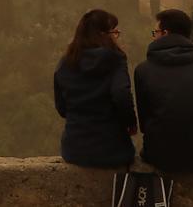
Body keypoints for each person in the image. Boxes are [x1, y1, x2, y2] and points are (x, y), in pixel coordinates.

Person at [134, 8, 193, 174]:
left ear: (165, 33)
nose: (154, 36)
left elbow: (144, 120)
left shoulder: (143, 70)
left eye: (155, 32)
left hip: (159, 156)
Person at [53, 9, 138, 167]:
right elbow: (121, 94)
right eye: (114, 33)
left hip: (74, 151)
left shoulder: (65, 62)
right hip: (113, 150)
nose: (116, 37)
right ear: (103, 35)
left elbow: (61, 108)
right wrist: (131, 123)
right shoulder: (115, 59)